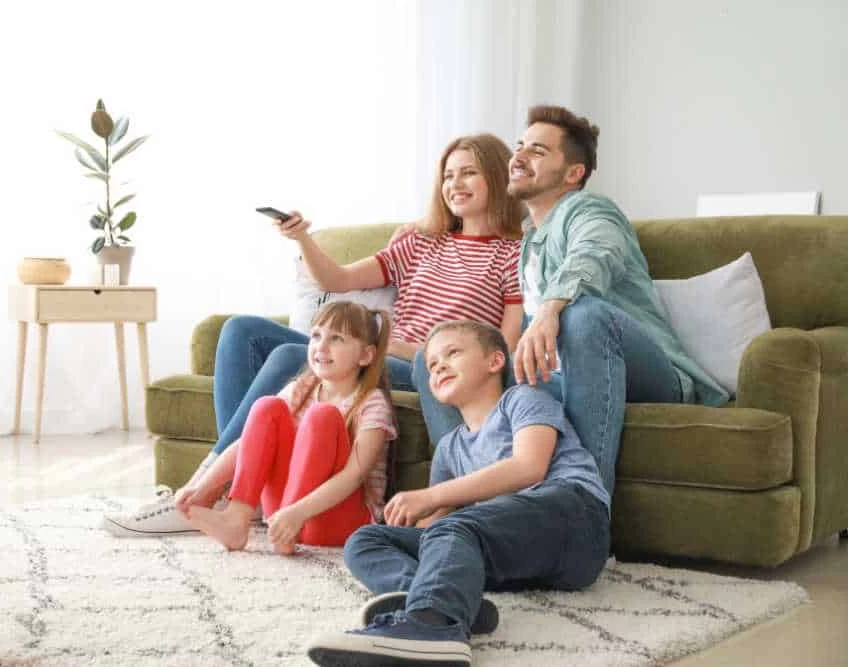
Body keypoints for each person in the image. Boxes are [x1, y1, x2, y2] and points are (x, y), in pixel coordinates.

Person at [102, 133, 525, 536]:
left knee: (291, 356)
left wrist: (402, 347)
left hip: (420, 366)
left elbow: (502, 347)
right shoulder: (421, 242)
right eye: (448, 175)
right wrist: (303, 237)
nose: (455, 184)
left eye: (468, 172)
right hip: (378, 350)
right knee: (241, 331)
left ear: (496, 176)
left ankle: (201, 493)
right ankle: (227, 490)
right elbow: (337, 280)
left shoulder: (514, 253)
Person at [420, 106, 729, 498]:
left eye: (538, 150)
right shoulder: (530, 239)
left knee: (582, 317)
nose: (519, 157)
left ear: (573, 174)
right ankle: (466, 502)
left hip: (644, 372)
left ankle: (584, 509)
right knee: (433, 362)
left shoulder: (591, 211)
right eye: (520, 147)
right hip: (561, 377)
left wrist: (551, 311)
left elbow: (595, 254)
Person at [305, 319, 610, 666]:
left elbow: (530, 467)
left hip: (574, 522)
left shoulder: (522, 400)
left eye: (453, 353)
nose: (440, 367)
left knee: (457, 526)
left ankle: (430, 626)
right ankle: (445, 602)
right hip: (509, 553)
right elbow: (436, 528)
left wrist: (430, 497)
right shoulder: (451, 447)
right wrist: (410, 522)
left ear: (495, 362)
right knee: (366, 540)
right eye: (433, 364)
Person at [106, 301, 397, 551]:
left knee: (322, 417)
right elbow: (247, 442)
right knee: (266, 407)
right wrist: (201, 487)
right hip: (283, 516)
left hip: (334, 520)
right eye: (316, 335)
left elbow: (353, 477)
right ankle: (236, 519)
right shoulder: (303, 388)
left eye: (336, 339)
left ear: (366, 355)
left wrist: (296, 513)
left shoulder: (371, 403)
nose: (321, 346)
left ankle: (289, 527)